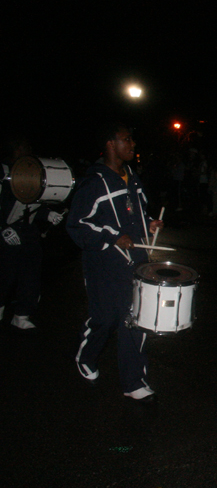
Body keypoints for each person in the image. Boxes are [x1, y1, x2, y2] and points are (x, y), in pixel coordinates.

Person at [67, 124, 163, 402]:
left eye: (132, 139)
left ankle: (133, 381)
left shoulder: (131, 177)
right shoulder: (94, 183)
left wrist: (150, 224)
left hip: (135, 262)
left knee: (134, 319)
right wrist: (112, 236)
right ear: (110, 144)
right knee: (105, 318)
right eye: (126, 139)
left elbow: (137, 214)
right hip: (104, 264)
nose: (132, 144)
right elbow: (77, 226)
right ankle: (86, 355)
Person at [0, 138, 65, 330]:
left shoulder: (32, 171)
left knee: (31, 273)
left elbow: (32, 202)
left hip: (28, 232)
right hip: (7, 232)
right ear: (17, 148)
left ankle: (22, 314)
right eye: (26, 147)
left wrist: (48, 214)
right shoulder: (3, 171)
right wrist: (2, 229)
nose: (30, 151)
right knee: (6, 273)